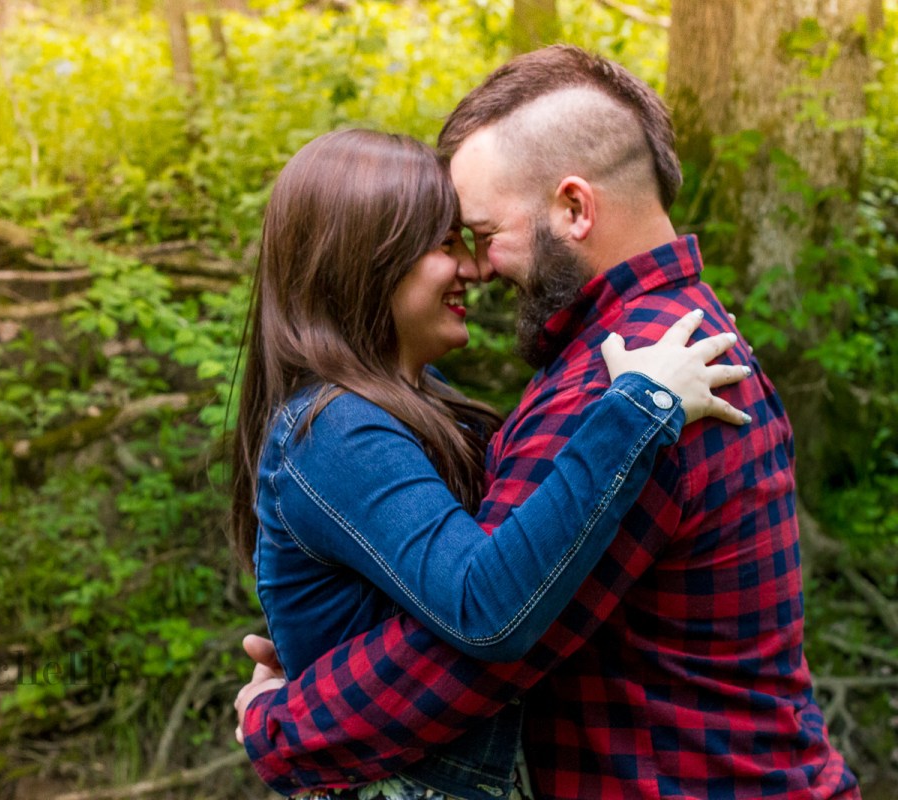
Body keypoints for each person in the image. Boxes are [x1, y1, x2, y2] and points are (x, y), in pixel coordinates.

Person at [235, 47, 860, 800]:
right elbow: (476, 601)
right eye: (451, 243)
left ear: (573, 209)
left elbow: (481, 643)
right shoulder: (676, 338)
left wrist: (285, 722)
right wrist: (327, 640)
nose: (478, 267)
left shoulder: (629, 380)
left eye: (479, 232)